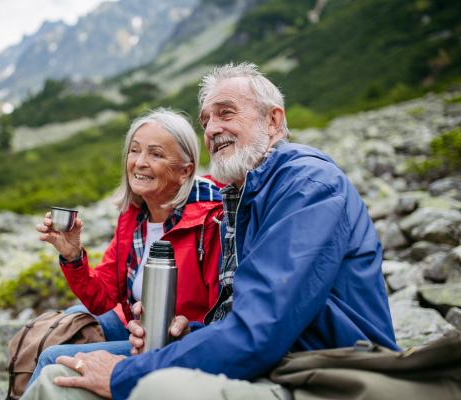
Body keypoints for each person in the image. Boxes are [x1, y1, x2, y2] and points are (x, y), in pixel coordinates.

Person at [22, 62, 399, 400]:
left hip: (329, 371)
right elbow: (238, 313)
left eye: (226, 113)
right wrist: (191, 332)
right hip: (270, 359)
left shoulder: (304, 183)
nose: (213, 128)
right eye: (206, 121)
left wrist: (126, 372)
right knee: (61, 368)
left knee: (106, 381)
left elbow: (259, 329)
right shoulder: (239, 196)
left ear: (273, 121)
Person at [27, 108, 223, 391]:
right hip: (137, 327)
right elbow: (103, 299)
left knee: (52, 358)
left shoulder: (211, 222)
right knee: (64, 324)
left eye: (156, 154)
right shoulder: (134, 215)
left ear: (185, 171)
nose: (140, 162)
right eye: (134, 150)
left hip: (178, 345)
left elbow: (223, 317)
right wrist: (72, 254)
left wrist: (184, 331)